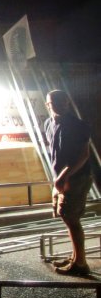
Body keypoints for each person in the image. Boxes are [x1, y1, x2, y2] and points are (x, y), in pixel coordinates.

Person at [44, 89, 94, 277]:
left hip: (77, 177)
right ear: (47, 104)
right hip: (62, 178)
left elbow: (83, 155)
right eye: (54, 101)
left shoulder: (77, 125)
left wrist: (64, 176)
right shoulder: (48, 123)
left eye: (62, 100)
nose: (58, 104)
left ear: (67, 102)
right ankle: (75, 257)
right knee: (66, 216)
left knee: (72, 218)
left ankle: (80, 263)